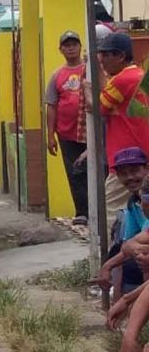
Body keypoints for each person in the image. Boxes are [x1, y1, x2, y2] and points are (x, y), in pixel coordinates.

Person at [95, 32, 149, 216]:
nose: (102, 60)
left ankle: (115, 245)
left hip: (126, 160)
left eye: (105, 55)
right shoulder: (139, 75)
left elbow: (96, 107)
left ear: (120, 56)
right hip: (142, 156)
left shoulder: (122, 80)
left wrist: (88, 89)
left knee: (111, 211)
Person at [93, 149, 149, 301]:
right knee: (121, 250)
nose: (130, 177)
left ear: (147, 169)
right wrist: (108, 265)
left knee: (140, 257)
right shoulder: (133, 203)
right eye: (123, 173)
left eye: (134, 171)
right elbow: (127, 245)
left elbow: (137, 245)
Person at [45, 30, 88, 225]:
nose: (71, 47)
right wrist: (50, 135)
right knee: (74, 172)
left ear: (80, 46)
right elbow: (51, 106)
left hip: (89, 133)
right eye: (67, 45)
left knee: (93, 171)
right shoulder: (57, 75)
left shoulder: (89, 70)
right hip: (66, 133)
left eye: (74, 44)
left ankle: (97, 210)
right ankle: (82, 212)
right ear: (60, 49)